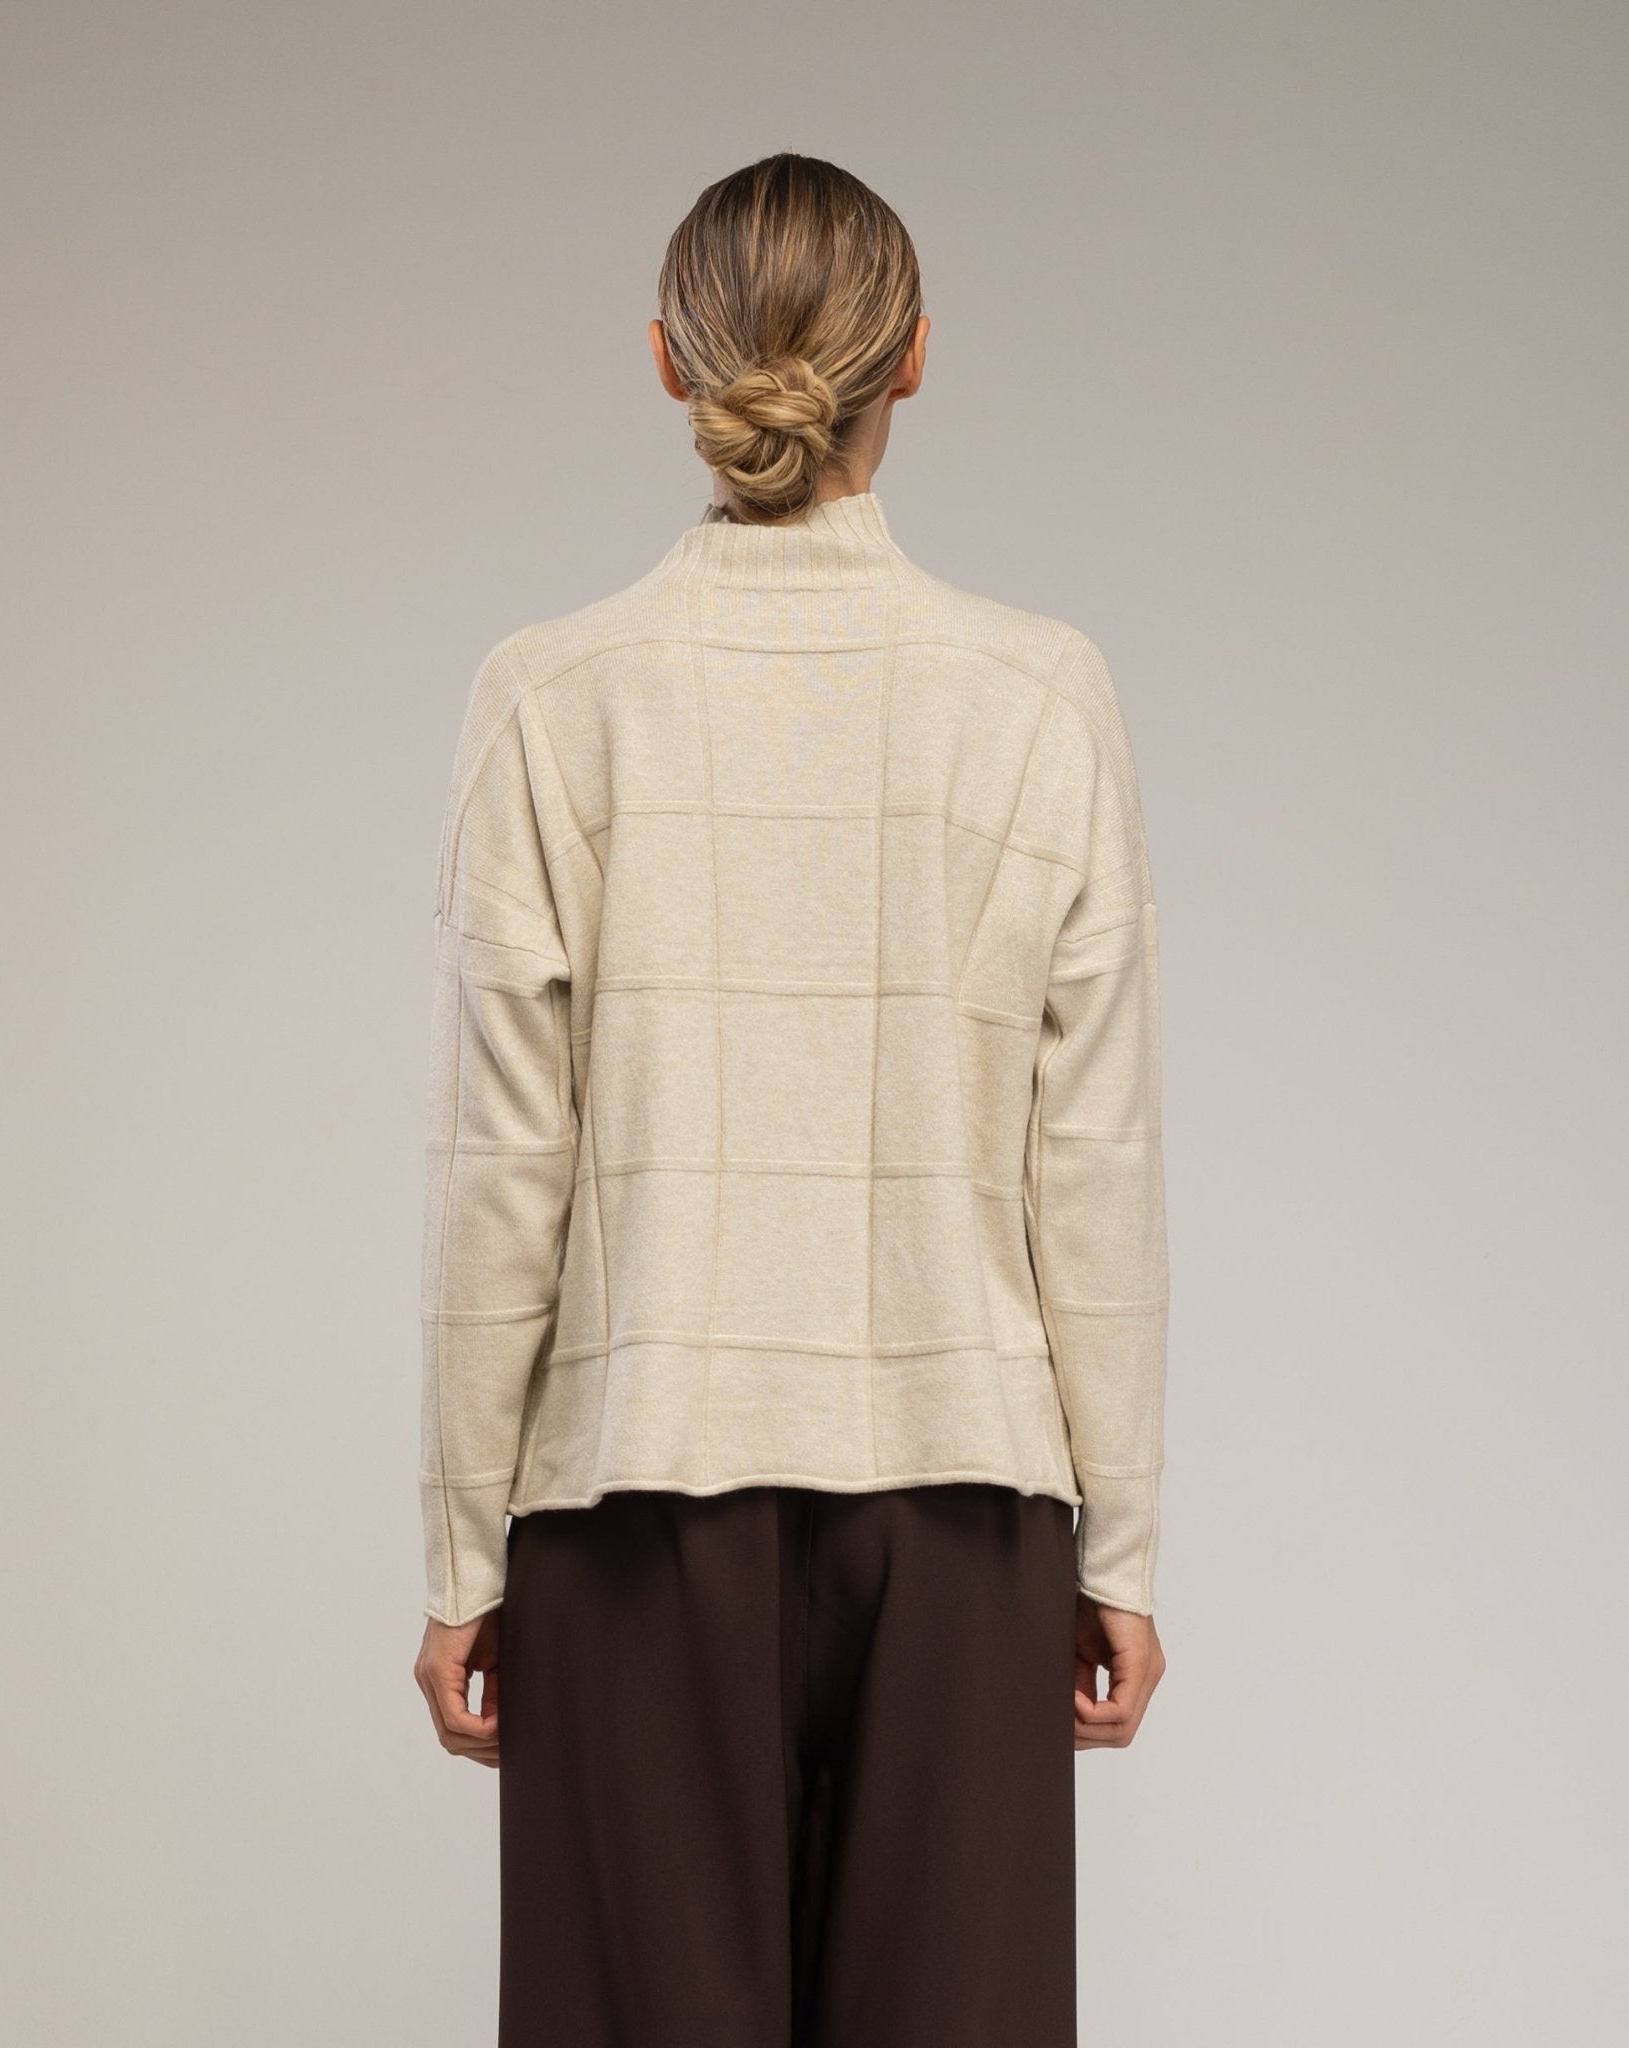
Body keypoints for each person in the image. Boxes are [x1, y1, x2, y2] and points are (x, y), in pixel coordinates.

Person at [412, 149, 1169, 2048]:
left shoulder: (553, 696)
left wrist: (463, 1553)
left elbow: (507, 1165)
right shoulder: (1040, 695)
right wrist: (1125, 1545)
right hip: (966, 1511)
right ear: (915, 360)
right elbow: (1093, 1160)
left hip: (632, 1503)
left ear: (668, 360)